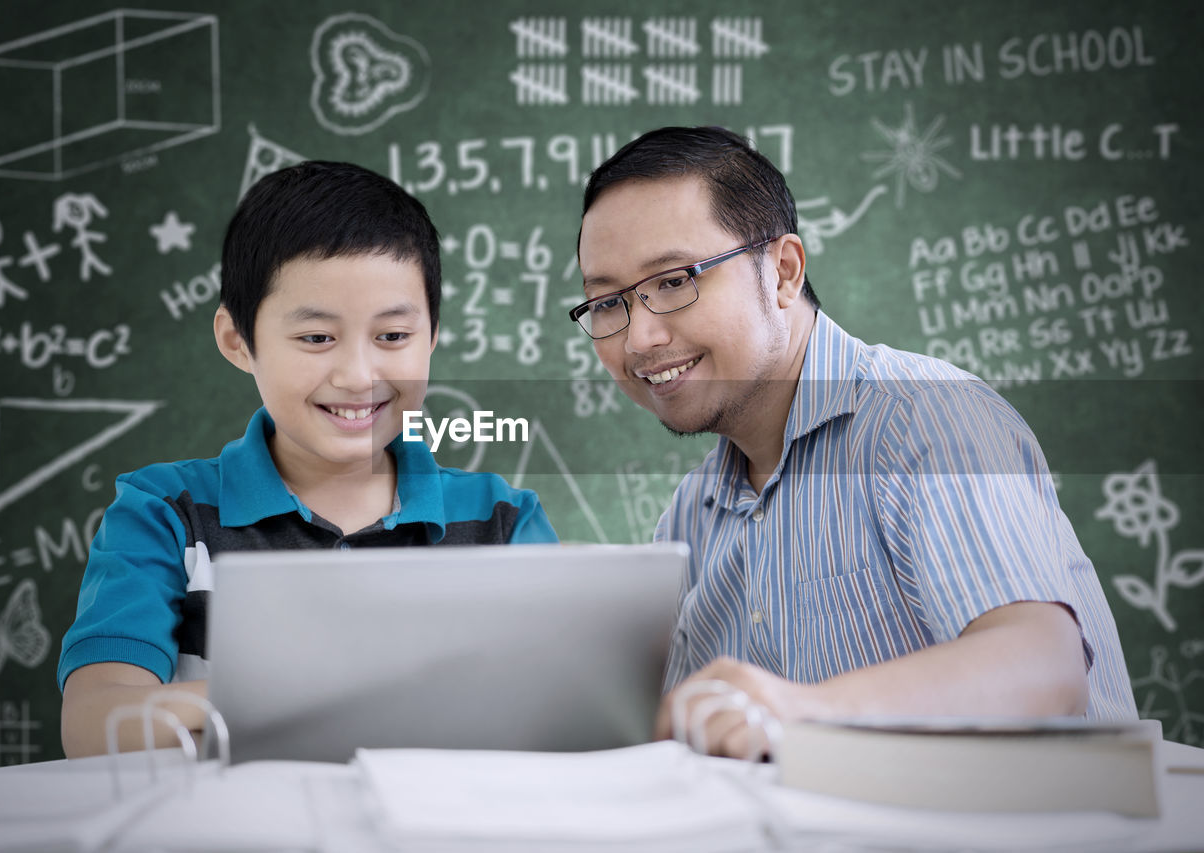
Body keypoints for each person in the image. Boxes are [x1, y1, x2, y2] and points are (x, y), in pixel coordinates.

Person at [569, 126, 1137, 758]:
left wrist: (799, 711)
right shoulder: (691, 516)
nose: (639, 337)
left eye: (674, 281)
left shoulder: (923, 420)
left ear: (783, 272)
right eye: (607, 303)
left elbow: (1043, 670)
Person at [59, 161, 557, 757]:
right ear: (237, 341)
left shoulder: (504, 521)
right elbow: (93, 725)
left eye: (393, 337)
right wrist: (321, 694)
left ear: (432, 336)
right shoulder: (164, 514)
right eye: (317, 338)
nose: (357, 375)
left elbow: (557, 712)